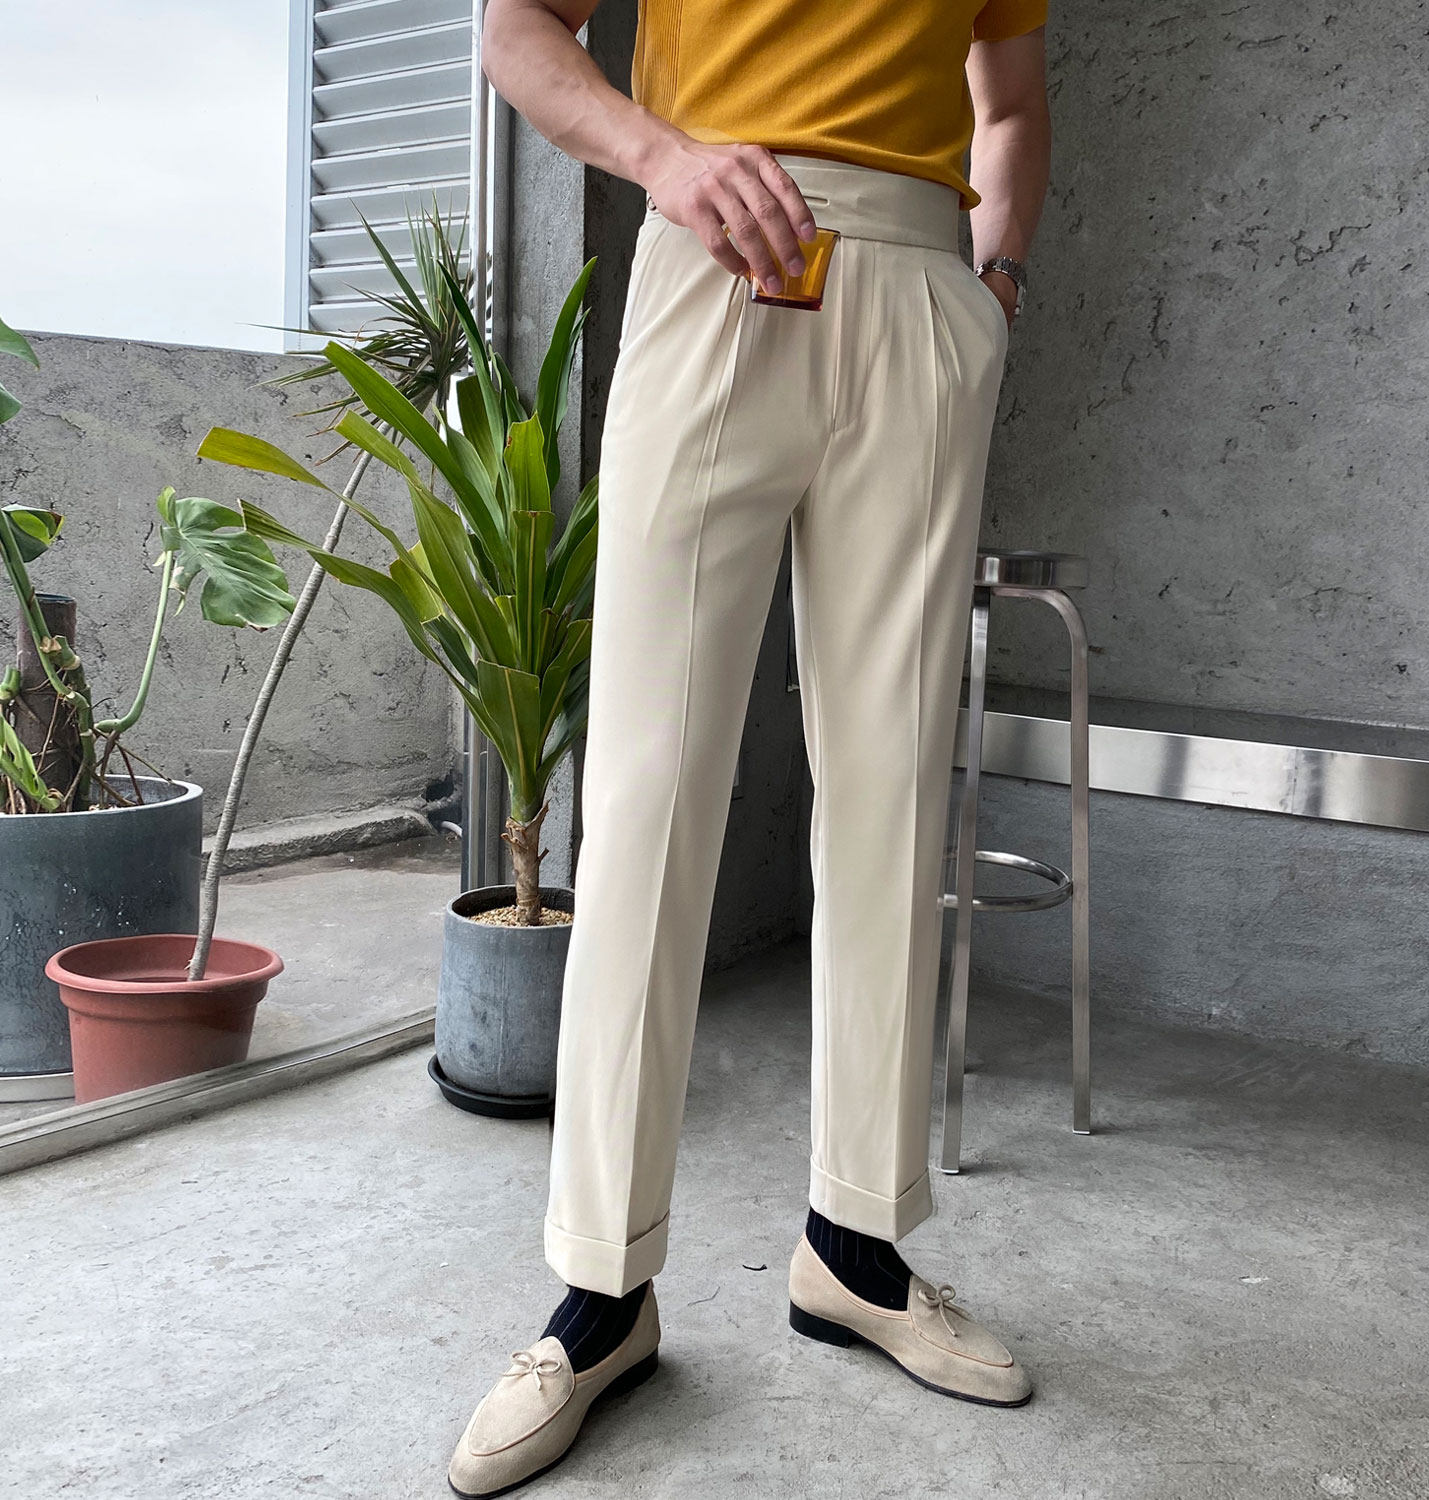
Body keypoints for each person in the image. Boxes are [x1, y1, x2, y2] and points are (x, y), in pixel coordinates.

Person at [448, 1, 1052, 1492]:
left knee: (893, 788)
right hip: (715, 252)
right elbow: (516, 30)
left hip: (922, 292)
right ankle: (602, 1291)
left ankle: (856, 1244)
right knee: (647, 788)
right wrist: (663, 157)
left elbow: (1010, 102)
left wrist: (993, 285)